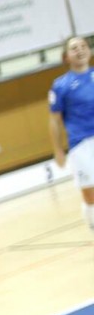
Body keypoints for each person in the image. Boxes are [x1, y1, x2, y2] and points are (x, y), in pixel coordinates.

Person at [48, 35, 94, 232]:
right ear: (66, 57)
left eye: (83, 46)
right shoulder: (60, 85)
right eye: (74, 48)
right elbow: (54, 120)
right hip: (80, 145)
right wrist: (58, 150)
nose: (80, 50)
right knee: (90, 195)